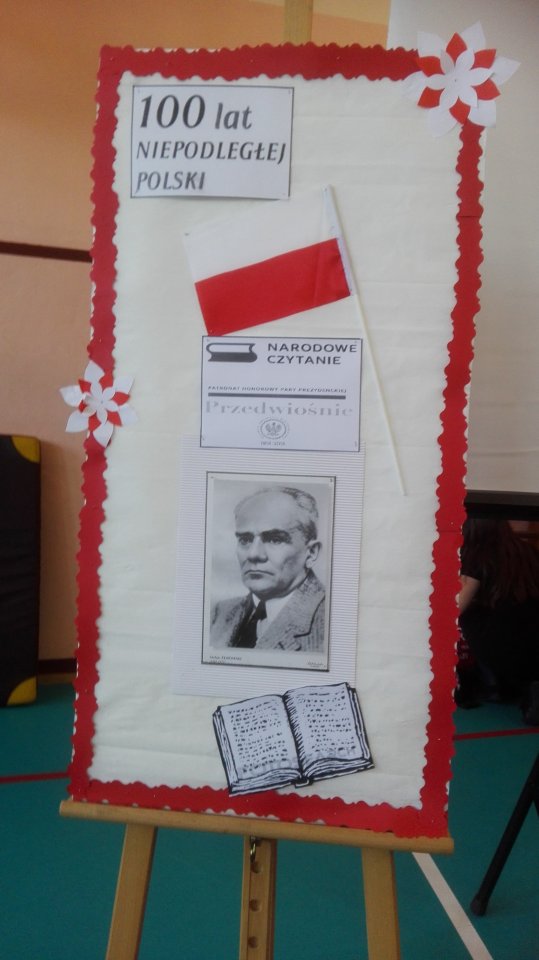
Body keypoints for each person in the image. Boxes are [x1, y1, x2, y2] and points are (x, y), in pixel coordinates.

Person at [210, 485, 326, 652]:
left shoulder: (329, 621)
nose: (253, 554)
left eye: (275, 540)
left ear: (311, 553)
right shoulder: (220, 613)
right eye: (245, 540)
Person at [458, 518, 539, 720]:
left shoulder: (475, 557)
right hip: (534, 646)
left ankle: (494, 683)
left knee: (469, 614)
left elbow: (455, 608)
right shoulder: (528, 551)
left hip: (500, 650)